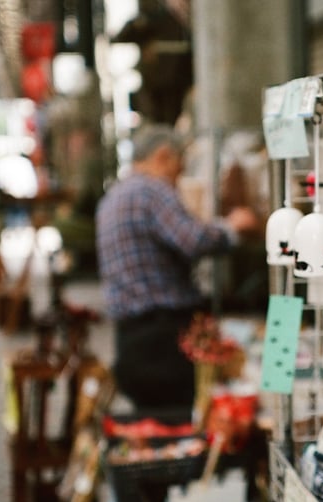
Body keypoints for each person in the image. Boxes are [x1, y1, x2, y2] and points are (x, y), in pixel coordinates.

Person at [96, 123, 258, 411]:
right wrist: (232, 227)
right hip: (162, 341)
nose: (178, 178)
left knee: (154, 427)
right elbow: (193, 240)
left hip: (130, 340)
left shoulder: (113, 197)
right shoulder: (150, 191)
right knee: (177, 422)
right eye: (178, 168)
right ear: (162, 156)